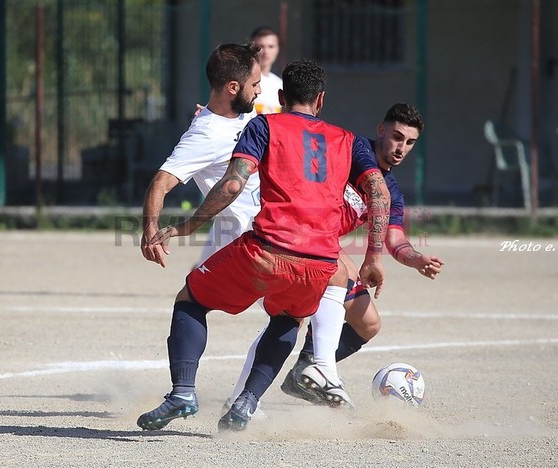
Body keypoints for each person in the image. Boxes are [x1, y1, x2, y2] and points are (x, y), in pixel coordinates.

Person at [136, 59, 390, 433]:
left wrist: (189, 225)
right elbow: (378, 192)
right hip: (321, 261)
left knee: (191, 299)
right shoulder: (349, 140)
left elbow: (233, 184)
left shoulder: (264, 125)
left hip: (267, 249)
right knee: (288, 318)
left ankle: (183, 393)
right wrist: (373, 257)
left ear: (282, 96)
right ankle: (246, 402)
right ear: (321, 100)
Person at [225, 103, 445, 408]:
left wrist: (416, 258)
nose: (401, 148)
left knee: (368, 324)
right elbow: (293, 139)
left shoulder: (391, 191)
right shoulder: (351, 150)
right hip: (288, 235)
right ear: (381, 130)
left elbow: (395, 239)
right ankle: (251, 393)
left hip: (320, 247)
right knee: (307, 305)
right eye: (397, 137)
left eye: (410, 142)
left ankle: (303, 370)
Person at [141, 42, 262, 269]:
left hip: (273, 228)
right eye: (255, 84)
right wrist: (150, 229)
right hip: (250, 242)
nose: (259, 91)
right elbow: (160, 183)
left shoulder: (246, 111)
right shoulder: (205, 135)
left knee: (191, 298)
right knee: (192, 297)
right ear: (233, 87)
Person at [249, 26, 283, 115]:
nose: (266, 51)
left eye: (271, 46)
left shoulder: (280, 84)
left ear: (277, 49)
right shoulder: (244, 79)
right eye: (261, 46)